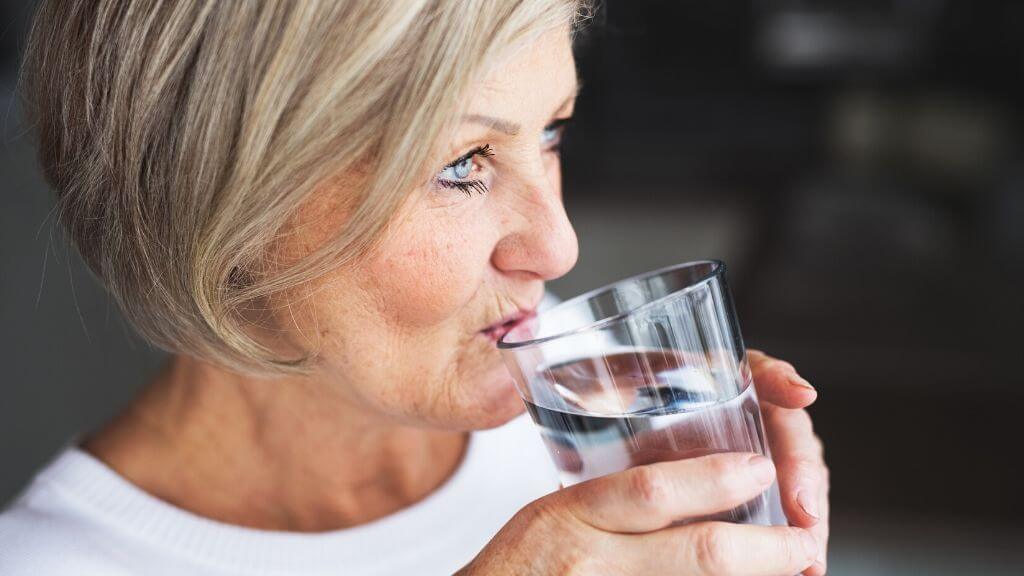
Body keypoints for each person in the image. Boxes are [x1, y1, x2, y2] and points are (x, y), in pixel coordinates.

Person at [0, 1, 829, 574]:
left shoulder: (617, 423)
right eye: (462, 166)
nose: (559, 246)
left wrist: (743, 510)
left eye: (552, 132)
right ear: (225, 202)